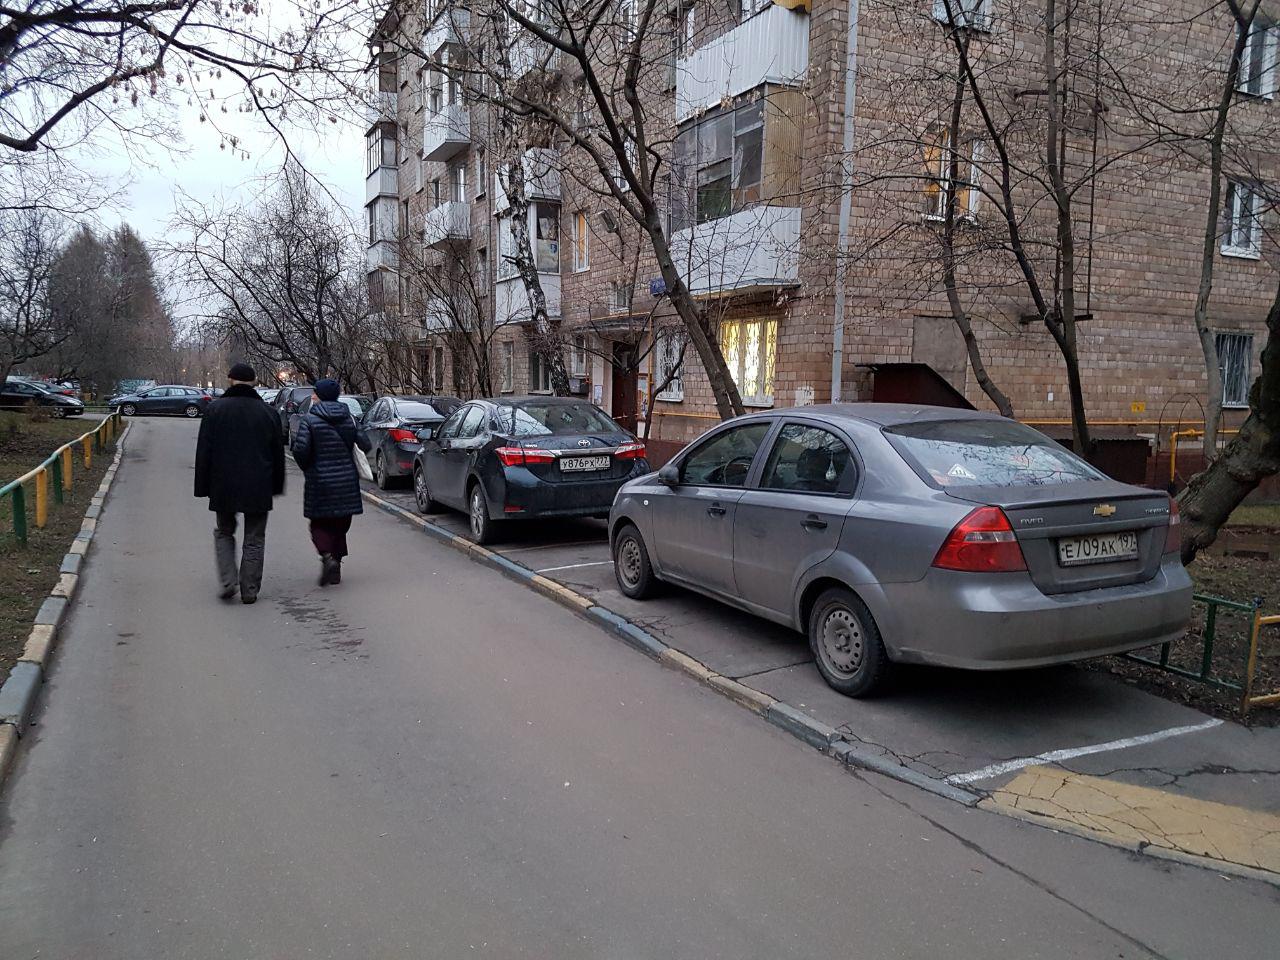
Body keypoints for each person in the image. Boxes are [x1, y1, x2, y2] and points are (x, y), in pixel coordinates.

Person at [194, 363, 285, 604]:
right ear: (254, 381)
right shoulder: (268, 413)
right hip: (259, 483)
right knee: (255, 537)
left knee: (224, 532)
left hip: (223, 483)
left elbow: (204, 451)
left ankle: (228, 581)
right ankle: (249, 589)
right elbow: (277, 454)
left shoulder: (215, 410)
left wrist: (202, 486)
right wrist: (276, 485)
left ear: (230, 379)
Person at [291, 378, 371, 586]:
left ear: (320, 396)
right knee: (340, 523)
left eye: (315, 393)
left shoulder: (309, 420)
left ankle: (327, 555)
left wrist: (309, 468)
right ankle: (335, 569)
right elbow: (366, 444)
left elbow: (301, 450)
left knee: (319, 523)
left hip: (319, 480)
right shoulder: (349, 418)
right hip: (346, 480)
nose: (313, 396)